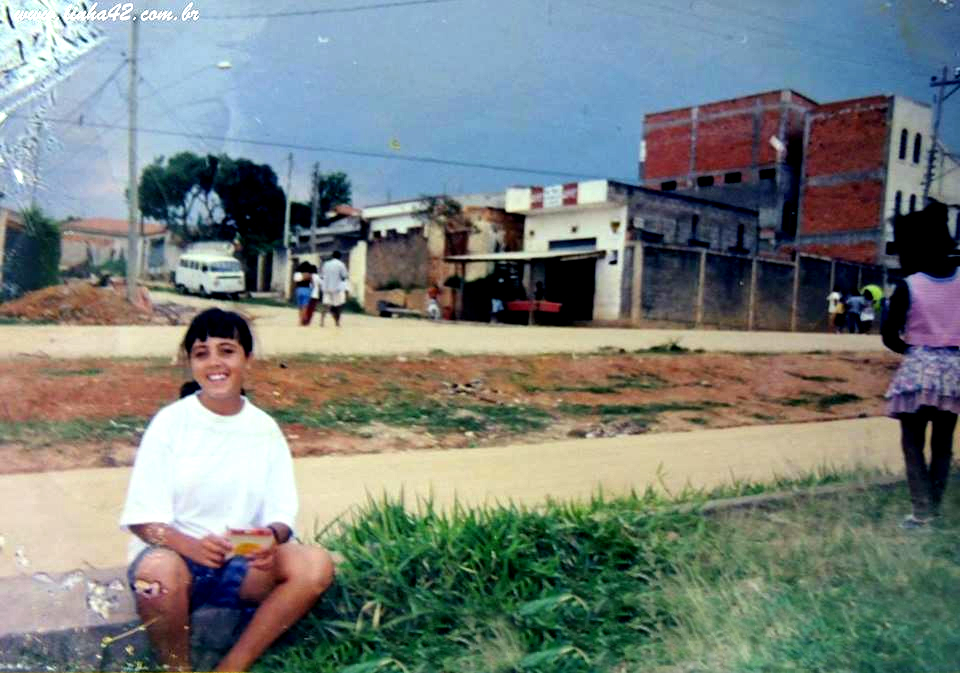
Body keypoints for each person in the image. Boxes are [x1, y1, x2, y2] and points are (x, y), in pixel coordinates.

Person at [119, 308, 335, 671]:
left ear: (247, 358)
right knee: (158, 574)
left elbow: (281, 514)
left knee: (315, 564)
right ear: (190, 363)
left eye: (227, 351)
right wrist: (191, 547)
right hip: (175, 556)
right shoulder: (171, 423)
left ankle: (233, 665)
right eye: (202, 353)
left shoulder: (264, 429)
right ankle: (178, 667)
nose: (215, 363)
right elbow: (143, 520)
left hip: (239, 562)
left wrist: (269, 539)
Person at [882, 202, 960, 529]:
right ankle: (935, 510)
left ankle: (921, 512)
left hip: (918, 371)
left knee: (912, 442)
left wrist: (914, 349)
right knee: (943, 444)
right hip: (954, 373)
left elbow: (889, 336)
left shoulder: (909, 286)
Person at [320, 251, 349, 327]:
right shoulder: (341, 265)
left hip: (326, 288)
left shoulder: (326, 264)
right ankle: (337, 322)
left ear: (332, 256)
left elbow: (322, 276)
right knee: (337, 306)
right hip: (336, 288)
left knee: (325, 305)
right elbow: (344, 276)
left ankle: (322, 321)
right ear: (340, 257)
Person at [292, 261, 315, 326]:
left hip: (299, 289)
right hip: (307, 290)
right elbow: (312, 283)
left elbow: (295, 282)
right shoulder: (309, 274)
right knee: (305, 306)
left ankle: (300, 320)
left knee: (300, 306)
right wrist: (312, 289)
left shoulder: (298, 274)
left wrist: (295, 290)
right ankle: (303, 319)